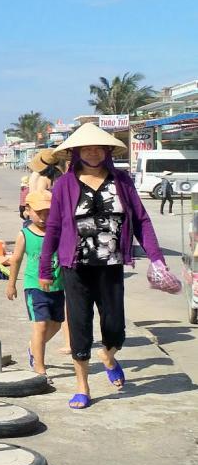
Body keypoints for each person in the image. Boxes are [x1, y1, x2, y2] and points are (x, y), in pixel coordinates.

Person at [40, 122, 167, 409]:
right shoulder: (64, 184)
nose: (94, 153)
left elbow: (142, 220)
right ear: (76, 151)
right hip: (76, 267)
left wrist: (156, 257)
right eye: (87, 148)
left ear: (108, 150)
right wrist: (45, 268)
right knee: (80, 324)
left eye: (99, 147)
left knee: (115, 325)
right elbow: (54, 227)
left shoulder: (122, 181)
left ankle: (108, 356)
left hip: (111, 265)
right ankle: (82, 386)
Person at [6, 189, 63, 379]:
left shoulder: (58, 232)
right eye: (40, 213)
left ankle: (34, 347)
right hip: (34, 286)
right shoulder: (25, 234)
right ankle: (40, 366)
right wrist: (11, 284)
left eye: (49, 212)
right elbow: (16, 260)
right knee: (41, 326)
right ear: (28, 210)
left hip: (57, 285)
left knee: (56, 324)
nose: (45, 217)